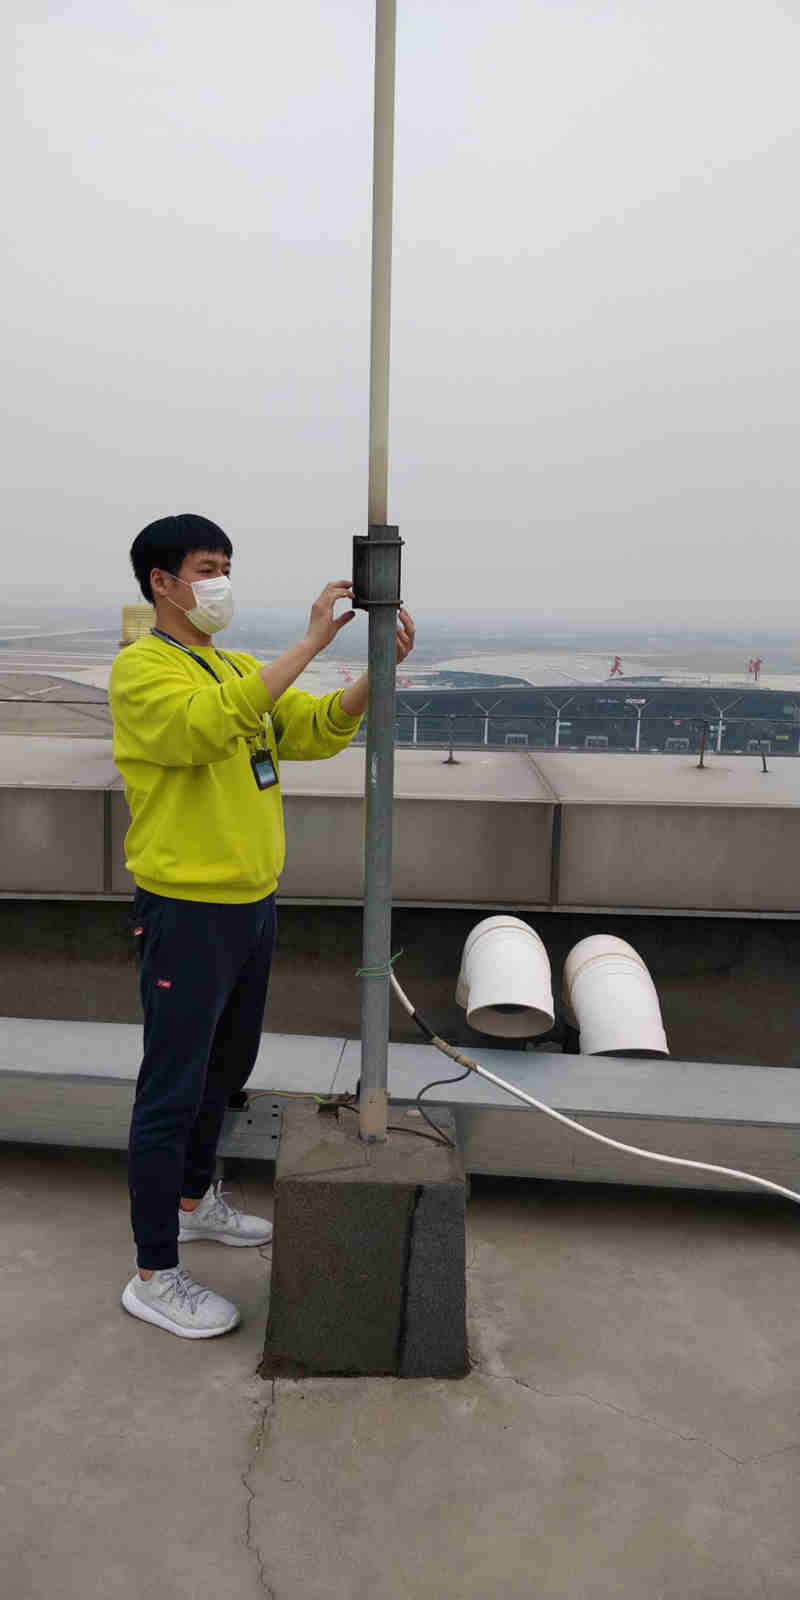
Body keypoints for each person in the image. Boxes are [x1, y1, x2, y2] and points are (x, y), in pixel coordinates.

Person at [110, 513, 415, 1339]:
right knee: (171, 1085)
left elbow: (307, 730)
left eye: (227, 566)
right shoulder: (143, 672)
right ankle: (155, 1270)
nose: (221, 582)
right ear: (161, 583)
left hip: (251, 902)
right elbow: (205, 729)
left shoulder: (234, 665)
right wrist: (310, 643)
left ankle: (193, 1199)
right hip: (187, 907)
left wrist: (370, 675)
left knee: (225, 1066)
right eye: (207, 568)